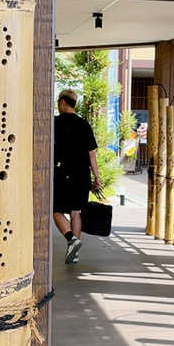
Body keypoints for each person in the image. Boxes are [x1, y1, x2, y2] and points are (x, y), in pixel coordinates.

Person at [53, 89, 101, 263]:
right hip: (82, 174)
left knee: (56, 211)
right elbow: (91, 154)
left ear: (63, 102)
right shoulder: (84, 124)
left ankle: (71, 240)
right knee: (76, 212)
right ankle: (74, 253)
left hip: (63, 172)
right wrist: (97, 178)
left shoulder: (55, 123)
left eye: (59, 102)